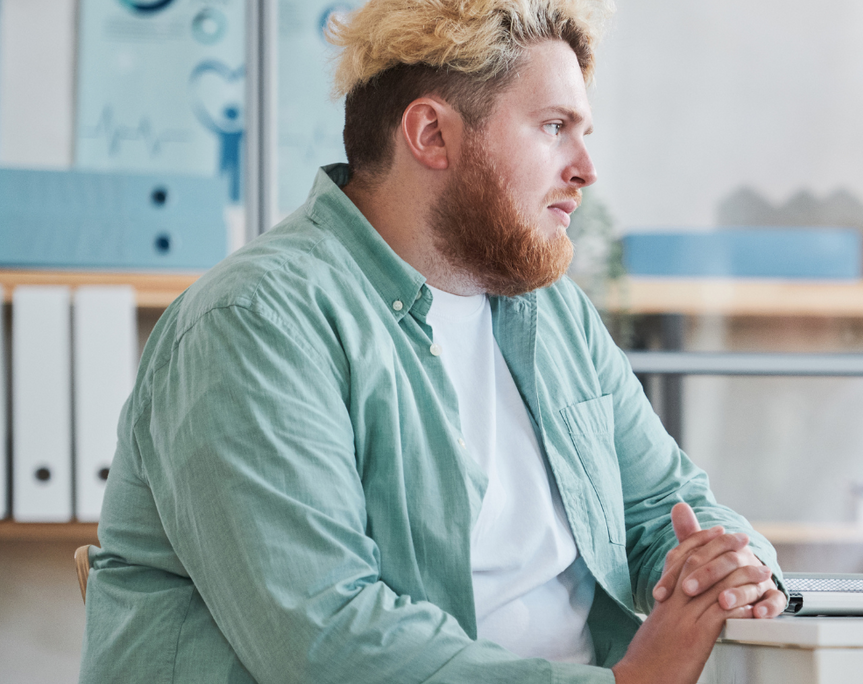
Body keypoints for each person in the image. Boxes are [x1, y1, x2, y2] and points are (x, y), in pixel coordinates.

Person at [79, 1, 783, 682]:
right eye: (552, 127)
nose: (584, 169)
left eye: (583, 132)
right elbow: (326, 642)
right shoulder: (255, 322)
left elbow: (669, 503)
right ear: (431, 135)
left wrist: (728, 564)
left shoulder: (549, 311)